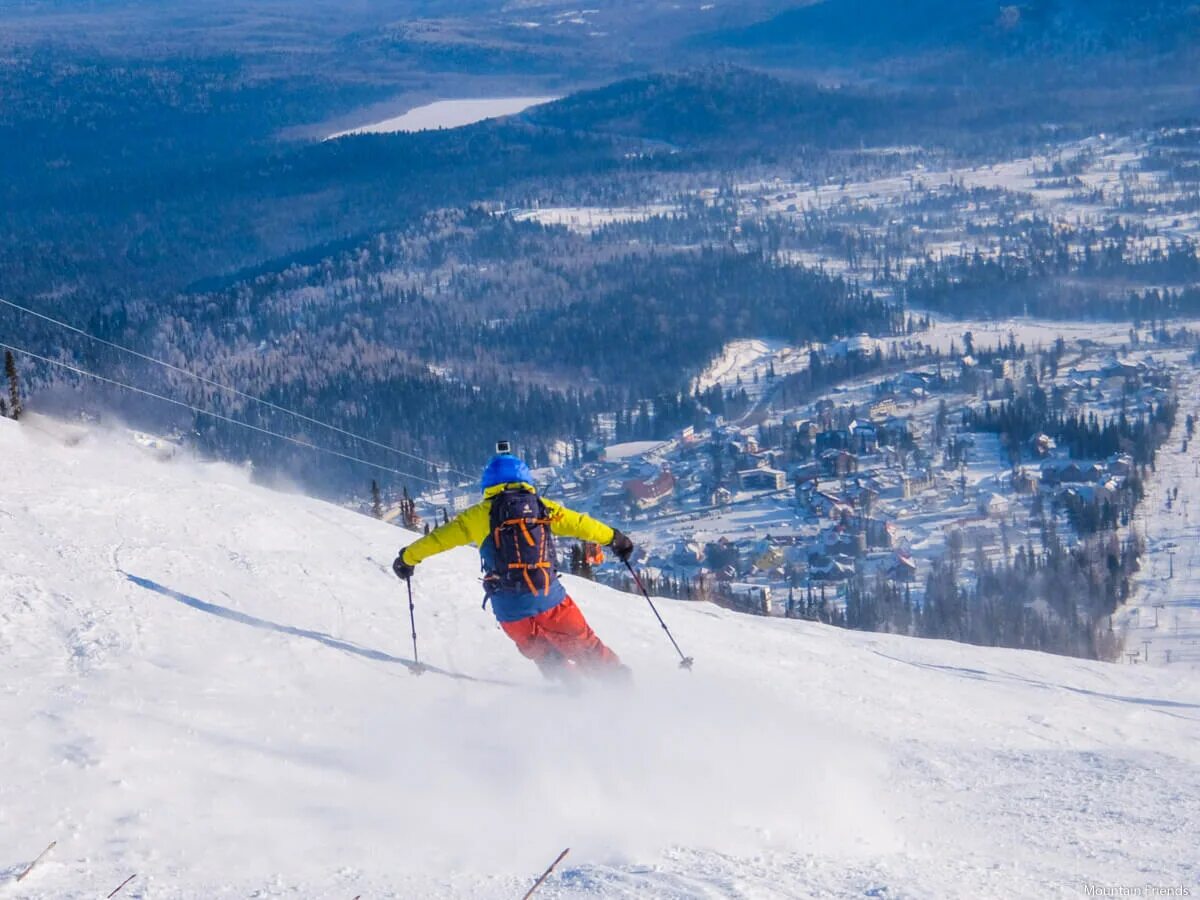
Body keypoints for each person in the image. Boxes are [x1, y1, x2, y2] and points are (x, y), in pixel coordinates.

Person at [393, 450, 635, 680]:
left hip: (509, 609)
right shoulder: (543, 508)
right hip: (549, 598)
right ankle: (618, 687)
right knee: (584, 646)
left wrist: (408, 558)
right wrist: (615, 539)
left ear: (488, 484)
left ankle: (570, 691)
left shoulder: (477, 516)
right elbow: (581, 524)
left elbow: (437, 540)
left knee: (544, 654)